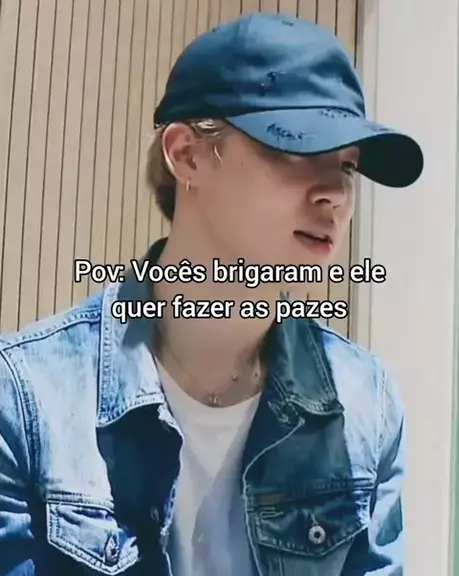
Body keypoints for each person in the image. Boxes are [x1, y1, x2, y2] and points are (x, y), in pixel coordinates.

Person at [0, 11, 423, 576]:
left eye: (347, 166)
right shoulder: (27, 401)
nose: (337, 195)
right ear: (187, 154)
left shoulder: (367, 407)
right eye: (297, 148)